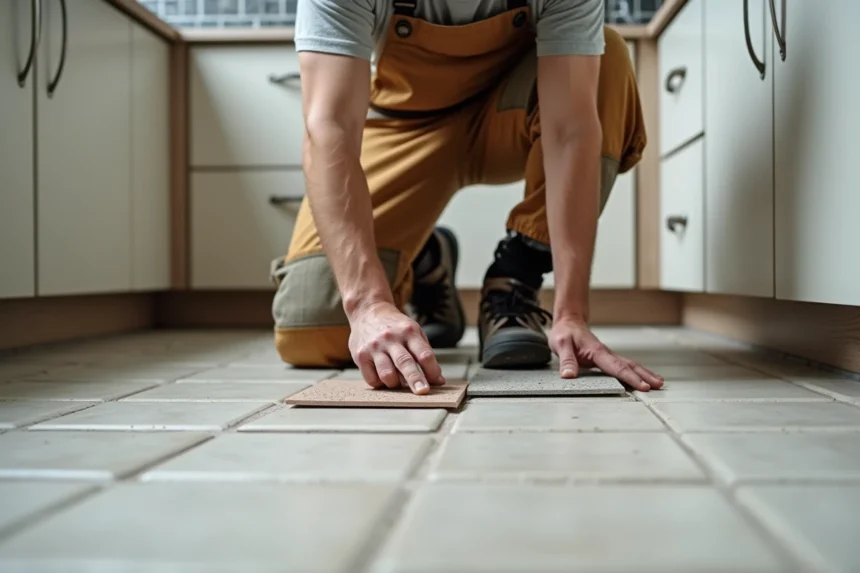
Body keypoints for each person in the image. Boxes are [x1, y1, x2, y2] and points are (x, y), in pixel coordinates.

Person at [271, 0, 665, 395]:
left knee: (606, 59)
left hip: (512, 110)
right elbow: (330, 126)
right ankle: (424, 258)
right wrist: (368, 305)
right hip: (402, 128)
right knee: (311, 328)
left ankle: (515, 278)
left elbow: (571, 131)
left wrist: (572, 313)